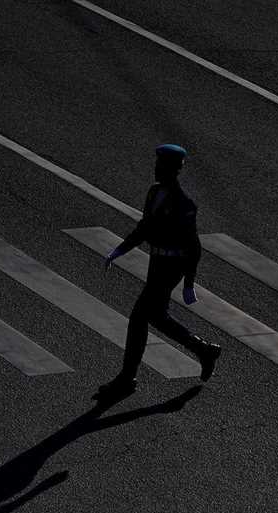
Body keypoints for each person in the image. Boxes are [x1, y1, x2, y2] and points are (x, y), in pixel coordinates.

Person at [95, 143, 221, 399]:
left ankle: (126, 378)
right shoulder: (154, 193)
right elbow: (144, 228)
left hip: (173, 266)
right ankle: (203, 349)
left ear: (173, 170)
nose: (156, 168)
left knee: (139, 316)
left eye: (161, 165)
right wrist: (118, 251)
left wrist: (189, 283)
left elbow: (194, 246)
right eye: (157, 164)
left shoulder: (184, 204)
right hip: (156, 262)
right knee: (156, 316)